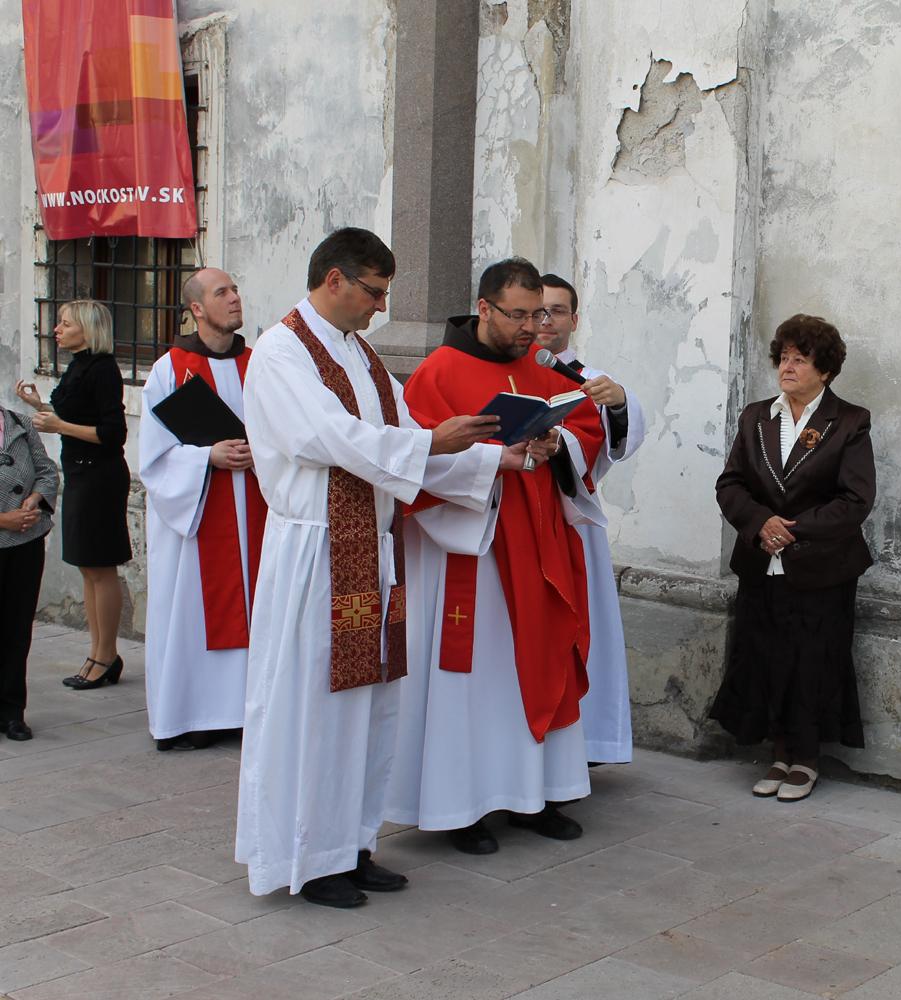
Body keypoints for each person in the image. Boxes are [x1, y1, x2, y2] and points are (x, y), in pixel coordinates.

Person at [235, 228, 503, 908]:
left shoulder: (359, 354)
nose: (379, 308)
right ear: (334, 279)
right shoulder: (280, 352)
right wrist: (425, 442)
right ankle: (306, 856)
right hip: (315, 552)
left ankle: (351, 844)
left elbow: (399, 439)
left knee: (370, 705)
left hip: (369, 550)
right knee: (315, 708)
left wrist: (486, 457)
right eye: (374, 292)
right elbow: (328, 438)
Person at [388, 257, 606, 855]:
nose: (532, 328)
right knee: (478, 678)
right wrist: (492, 460)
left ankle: (537, 795)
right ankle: (466, 806)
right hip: (473, 549)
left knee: (539, 657)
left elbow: (586, 428)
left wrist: (557, 440)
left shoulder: (541, 369)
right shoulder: (437, 373)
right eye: (519, 316)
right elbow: (417, 461)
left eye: (539, 315)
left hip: (539, 546)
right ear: (484, 309)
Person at [709, 314, 876, 801]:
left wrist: (793, 531)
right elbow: (731, 483)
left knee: (813, 661)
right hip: (761, 560)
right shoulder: (757, 417)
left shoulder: (849, 422)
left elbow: (855, 499)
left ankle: (806, 759)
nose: (788, 367)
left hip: (820, 565)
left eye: (800, 359)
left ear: (825, 370)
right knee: (766, 657)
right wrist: (761, 523)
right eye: (783, 357)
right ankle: (778, 752)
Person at [139, 268, 266, 751]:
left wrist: (265, 451)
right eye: (222, 293)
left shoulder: (260, 364)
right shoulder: (170, 369)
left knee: (257, 605)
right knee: (192, 610)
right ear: (196, 309)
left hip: (256, 506)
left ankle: (246, 710)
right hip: (197, 512)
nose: (235, 298)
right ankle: (192, 713)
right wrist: (206, 456)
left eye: (235, 289)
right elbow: (152, 455)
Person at [537, 272, 645, 765]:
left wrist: (620, 403)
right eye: (536, 310)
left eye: (557, 311)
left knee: (582, 633)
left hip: (574, 523)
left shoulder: (590, 380)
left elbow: (616, 445)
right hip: (519, 525)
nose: (545, 320)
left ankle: (586, 742)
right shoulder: (504, 370)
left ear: (574, 319)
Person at [15, 300, 130, 690]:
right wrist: (40, 407)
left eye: (65, 324)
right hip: (80, 473)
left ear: (86, 328)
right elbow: (72, 420)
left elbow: (112, 433)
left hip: (100, 476)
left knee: (101, 567)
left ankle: (107, 653)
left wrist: (58, 423)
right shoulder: (78, 366)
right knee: (87, 566)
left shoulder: (103, 369)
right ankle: (96, 651)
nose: (57, 330)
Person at [0, 398, 59, 741]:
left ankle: (12, 713)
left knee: (17, 628)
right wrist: (4, 520)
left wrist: (35, 501)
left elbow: (47, 471)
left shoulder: (19, 424)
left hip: (26, 542)